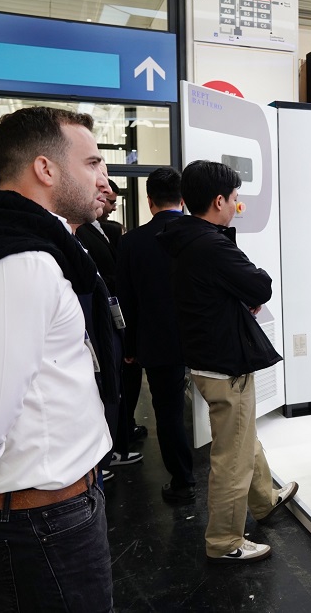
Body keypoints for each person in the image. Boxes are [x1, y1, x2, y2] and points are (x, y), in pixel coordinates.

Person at [0, 106, 116, 611]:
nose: (103, 179)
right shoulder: (22, 263)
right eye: (92, 163)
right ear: (46, 168)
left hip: (29, 512)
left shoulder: (10, 241)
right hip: (36, 519)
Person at [158, 159, 298, 563]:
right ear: (218, 201)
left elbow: (217, 290)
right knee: (232, 455)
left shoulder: (184, 239)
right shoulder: (211, 244)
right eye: (235, 198)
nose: (237, 206)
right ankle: (224, 541)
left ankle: (265, 500)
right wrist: (248, 287)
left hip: (207, 356)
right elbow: (259, 285)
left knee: (242, 437)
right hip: (224, 363)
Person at [117, 167, 197, 504]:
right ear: (183, 200)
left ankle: (183, 482)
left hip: (158, 341)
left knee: (168, 412)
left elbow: (125, 300)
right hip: (203, 337)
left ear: (149, 201)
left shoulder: (130, 242)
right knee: (222, 410)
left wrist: (130, 345)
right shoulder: (203, 233)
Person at [77, 164, 142, 474]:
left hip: (111, 321)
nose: (105, 195)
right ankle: (106, 454)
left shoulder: (105, 230)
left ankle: (115, 445)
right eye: (97, 179)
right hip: (99, 323)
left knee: (117, 389)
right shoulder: (79, 233)